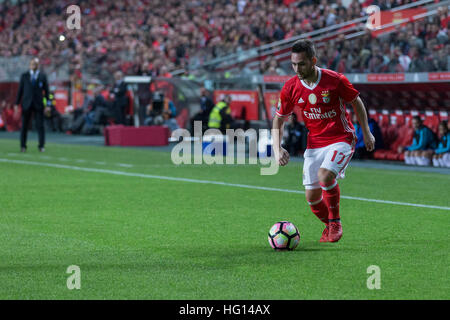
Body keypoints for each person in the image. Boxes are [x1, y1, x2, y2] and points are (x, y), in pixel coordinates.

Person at [272, 40, 375, 243]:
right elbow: (279, 118)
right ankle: (329, 225)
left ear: (313, 61)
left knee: (325, 176)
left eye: (301, 64)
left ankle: (336, 222)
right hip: (314, 143)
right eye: (293, 64)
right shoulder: (291, 87)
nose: (297, 69)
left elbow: (356, 101)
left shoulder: (334, 80)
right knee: (312, 198)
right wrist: (277, 149)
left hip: (341, 138)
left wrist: (367, 131)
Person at [14, 57, 51, 152]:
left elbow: (47, 92)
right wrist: (16, 104)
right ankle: (23, 146)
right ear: (29, 65)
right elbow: (20, 91)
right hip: (26, 104)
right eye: (32, 64)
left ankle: (41, 146)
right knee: (24, 126)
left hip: (38, 104)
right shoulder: (24, 76)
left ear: (38, 65)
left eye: (35, 64)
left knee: (40, 126)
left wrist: (48, 105)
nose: (33, 66)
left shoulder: (42, 76)